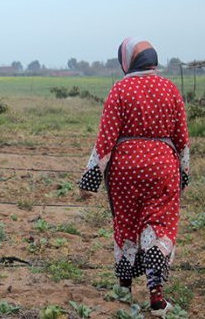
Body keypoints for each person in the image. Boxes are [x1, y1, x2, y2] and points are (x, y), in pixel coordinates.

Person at [79, 37, 189, 317]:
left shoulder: (120, 89)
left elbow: (105, 140)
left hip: (125, 169)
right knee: (158, 225)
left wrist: (89, 179)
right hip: (163, 167)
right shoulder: (170, 89)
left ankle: (124, 289)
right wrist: (183, 174)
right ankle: (157, 298)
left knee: (126, 224)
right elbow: (182, 139)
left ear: (126, 61)